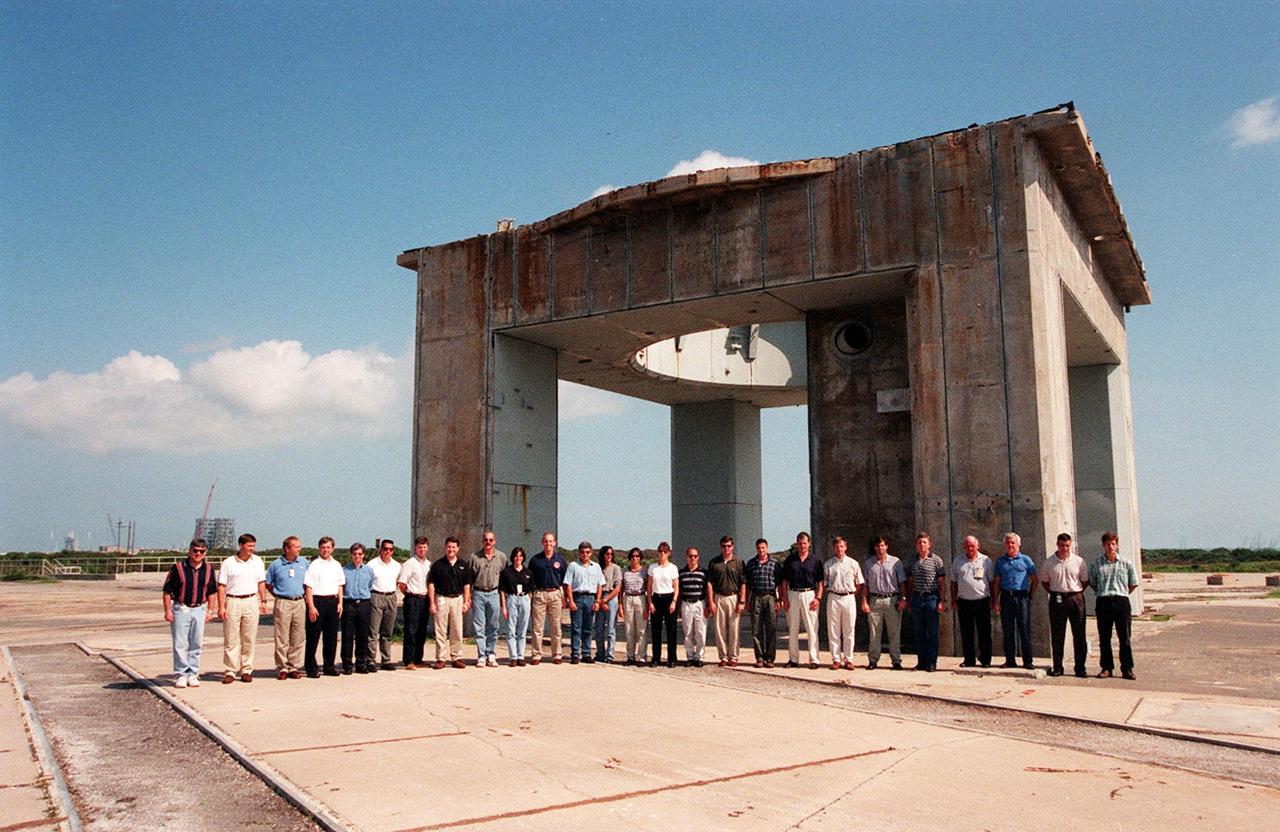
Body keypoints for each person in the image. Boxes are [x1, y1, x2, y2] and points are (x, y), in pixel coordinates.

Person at [162, 538, 217, 687]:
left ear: (205, 553)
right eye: (195, 551)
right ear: (190, 551)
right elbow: (167, 591)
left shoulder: (209, 569)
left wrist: (210, 611)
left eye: (201, 551)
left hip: (200, 608)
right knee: (180, 643)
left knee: (196, 642)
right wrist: (168, 611)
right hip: (181, 608)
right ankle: (181, 673)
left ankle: (193, 673)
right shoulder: (178, 568)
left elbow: (211, 591)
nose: (198, 554)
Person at [217, 533, 267, 684]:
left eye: (253, 546)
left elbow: (261, 582)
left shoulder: (257, 561)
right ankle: (230, 670)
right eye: (249, 546)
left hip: (251, 600)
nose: (252, 548)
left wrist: (263, 600)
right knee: (231, 638)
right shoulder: (228, 563)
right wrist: (220, 606)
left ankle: (246, 669)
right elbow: (221, 586)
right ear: (241, 546)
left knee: (249, 638)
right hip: (233, 600)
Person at [1089, 531, 1139, 680]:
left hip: (1121, 601)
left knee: (1124, 637)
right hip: (1104, 601)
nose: (1110, 547)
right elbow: (1092, 582)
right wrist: (1103, 592)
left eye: (1113, 544)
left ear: (1116, 545)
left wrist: (1122, 593)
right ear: (1103, 546)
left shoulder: (1126, 563)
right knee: (1104, 638)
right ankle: (1106, 668)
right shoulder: (1096, 564)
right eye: (1107, 544)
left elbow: (1133, 583)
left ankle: (1127, 669)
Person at [1041, 532, 1090, 678]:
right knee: (1057, 634)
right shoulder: (1049, 562)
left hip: (1075, 598)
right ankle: (1058, 667)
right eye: (1062, 545)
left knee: (1079, 634)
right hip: (1057, 599)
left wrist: (1074, 593)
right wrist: (1056, 592)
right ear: (1057, 545)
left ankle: (1080, 668)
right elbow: (1045, 582)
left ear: (1071, 545)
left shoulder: (1079, 561)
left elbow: (1085, 580)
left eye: (1067, 545)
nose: (1065, 548)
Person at [264, 536, 308, 681]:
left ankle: (293, 666)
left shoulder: (304, 563)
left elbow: (309, 583)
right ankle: (282, 667)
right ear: (287, 548)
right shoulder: (276, 565)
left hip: (300, 602)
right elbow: (268, 584)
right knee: (282, 636)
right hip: (283, 602)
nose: (299, 549)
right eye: (296, 546)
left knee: (298, 636)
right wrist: (278, 595)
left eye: (299, 546)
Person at [991, 532, 1037, 669]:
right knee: (1008, 630)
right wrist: (996, 600)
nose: (1011, 545)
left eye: (1013, 543)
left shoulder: (1026, 560)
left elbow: (1034, 579)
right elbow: (997, 582)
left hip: (1021, 596)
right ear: (1005, 545)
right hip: (1006, 596)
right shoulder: (1000, 561)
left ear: (1018, 544)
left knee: (1024, 630)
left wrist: (1030, 596)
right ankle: (1010, 660)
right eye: (1008, 543)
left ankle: (1028, 661)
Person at [779, 531, 824, 669]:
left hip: (809, 594)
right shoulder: (790, 560)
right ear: (797, 544)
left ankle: (814, 659)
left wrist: (818, 598)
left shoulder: (815, 561)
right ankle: (793, 659)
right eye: (800, 543)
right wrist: (785, 599)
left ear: (809, 544)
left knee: (811, 628)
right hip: (793, 594)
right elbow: (784, 581)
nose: (802, 546)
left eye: (804, 543)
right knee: (793, 629)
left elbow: (820, 582)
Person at [428, 537, 474, 669]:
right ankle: (441, 658)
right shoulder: (438, 565)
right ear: (445, 547)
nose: (451, 549)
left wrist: (466, 601)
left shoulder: (463, 565)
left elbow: (467, 585)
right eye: (449, 547)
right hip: (442, 598)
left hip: (458, 599)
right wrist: (432, 602)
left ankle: (456, 657)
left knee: (457, 629)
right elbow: (431, 584)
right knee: (440, 630)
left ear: (458, 549)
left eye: (454, 547)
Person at [950, 535, 995, 668]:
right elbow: (953, 582)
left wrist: (993, 599)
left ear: (978, 546)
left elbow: (992, 582)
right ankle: (969, 660)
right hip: (964, 602)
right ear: (964, 547)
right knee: (966, 633)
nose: (970, 548)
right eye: (967, 546)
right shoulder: (958, 561)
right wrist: (953, 600)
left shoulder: (986, 561)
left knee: (984, 632)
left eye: (972, 546)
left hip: (982, 601)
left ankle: (985, 660)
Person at [303, 536, 345, 678]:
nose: (325, 550)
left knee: (331, 637)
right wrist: (311, 607)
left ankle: (329, 666)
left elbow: (340, 585)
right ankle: (311, 667)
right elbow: (308, 587)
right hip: (317, 602)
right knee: (313, 637)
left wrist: (340, 603)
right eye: (323, 547)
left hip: (332, 603)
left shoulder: (337, 565)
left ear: (332, 548)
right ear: (319, 549)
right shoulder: (314, 565)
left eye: (328, 547)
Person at [863, 535, 907, 670]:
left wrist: (903, 599)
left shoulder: (896, 562)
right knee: (874, 632)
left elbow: (902, 583)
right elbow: (865, 585)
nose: (880, 548)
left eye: (883, 545)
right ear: (875, 547)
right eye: (878, 545)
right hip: (875, 600)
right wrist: (864, 601)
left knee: (894, 632)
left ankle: (896, 661)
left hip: (892, 599)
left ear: (886, 546)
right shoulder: (868, 563)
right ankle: (873, 660)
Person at [823, 535, 866, 670]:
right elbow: (824, 583)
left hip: (848, 598)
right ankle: (836, 659)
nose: (839, 549)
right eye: (837, 546)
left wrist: (852, 593)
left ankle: (848, 659)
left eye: (841, 546)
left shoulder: (853, 563)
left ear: (845, 547)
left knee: (849, 630)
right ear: (833, 548)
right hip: (833, 597)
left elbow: (859, 583)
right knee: (833, 630)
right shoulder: (828, 564)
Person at [905, 532, 946, 672]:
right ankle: (921, 662)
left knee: (932, 633)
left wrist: (941, 600)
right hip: (917, 598)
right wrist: (909, 600)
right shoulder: (912, 561)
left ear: (929, 544)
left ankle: (932, 663)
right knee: (919, 632)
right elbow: (909, 583)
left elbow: (941, 582)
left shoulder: (937, 560)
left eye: (924, 542)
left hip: (932, 599)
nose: (922, 545)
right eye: (919, 542)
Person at [706, 535, 746, 667]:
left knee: (734, 629)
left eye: (729, 546)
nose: (726, 548)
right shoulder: (714, 563)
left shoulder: (738, 562)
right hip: (719, 597)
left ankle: (733, 657)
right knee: (720, 629)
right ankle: (723, 656)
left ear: (733, 547)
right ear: (720, 547)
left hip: (734, 597)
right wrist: (711, 601)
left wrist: (742, 601)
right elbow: (710, 583)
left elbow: (743, 583)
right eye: (724, 546)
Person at [469, 530, 507, 668]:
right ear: (482, 541)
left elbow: (504, 579)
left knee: (493, 626)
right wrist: (468, 598)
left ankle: (491, 654)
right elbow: (470, 579)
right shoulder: (474, 557)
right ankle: (481, 656)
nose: (488, 542)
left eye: (491, 540)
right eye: (486, 540)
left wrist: (503, 599)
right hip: (479, 594)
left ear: (494, 541)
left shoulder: (501, 557)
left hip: (494, 594)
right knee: (479, 627)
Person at [529, 531, 568, 665]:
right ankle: (536, 655)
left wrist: (564, 597)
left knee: (556, 626)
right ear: (542, 542)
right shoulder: (535, 560)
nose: (548, 544)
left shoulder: (560, 560)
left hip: (555, 593)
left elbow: (564, 580)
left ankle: (557, 654)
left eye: (551, 541)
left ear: (555, 543)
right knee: (537, 627)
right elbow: (530, 579)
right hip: (539, 593)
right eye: (546, 541)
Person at [564, 541, 605, 663]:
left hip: (591, 599)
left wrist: (598, 601)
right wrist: (570, 601)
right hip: (578, 598)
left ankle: (586, 654)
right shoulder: (573, 566)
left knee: (588, 628)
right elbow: (568, 584)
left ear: (591, 553)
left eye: (587, 552)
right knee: (576, 628)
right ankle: (575, 654)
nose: (585, 554)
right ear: (579, 553)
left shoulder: (596, 567)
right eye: (582, 552)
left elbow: (600, 585)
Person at [743, 538, 782, 668]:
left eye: (763, 548)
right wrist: (747, 601)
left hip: (770, 597)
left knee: (771, 627)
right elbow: (747, 584)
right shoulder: (751, 564)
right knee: (756, 629)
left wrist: (779, 599)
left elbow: (780, 583)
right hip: (756, 597)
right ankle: (759, 657)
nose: (761, 550)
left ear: (767, 548)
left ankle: (770, 658)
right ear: (756, 549)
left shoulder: (774, 564)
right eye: (759, 548)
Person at [396, 537, 432, 669]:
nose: (422, 550)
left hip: (425, 599)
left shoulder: (429, 564)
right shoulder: (409, 563)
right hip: (412, 599)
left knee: (422, 630)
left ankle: (418, 659)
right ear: (415, 548)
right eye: (419, 547)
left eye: (424, 547)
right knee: (411, 630)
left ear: (427, 548)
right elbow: (402, 584)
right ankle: (409, 660)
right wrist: (411, 595)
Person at [366, 539, 401, 671]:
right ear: (381, 549)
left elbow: (399, 581)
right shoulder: (372, 564)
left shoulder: (397, 566)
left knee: (387, 631)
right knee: (373, 631)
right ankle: (370, 660)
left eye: (390, 549)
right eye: (385, 549)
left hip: (391, 597)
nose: (388, 551)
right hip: (376, 596)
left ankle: (386, 659)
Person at [341, 542, 374, 674]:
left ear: (363, 555)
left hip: (364, 604)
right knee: (347, 635)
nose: (357, 556)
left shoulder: (368, 571)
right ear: (351, 555)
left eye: (359, 554)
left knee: (363, 634)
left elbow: (370, 586)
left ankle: (361, 663)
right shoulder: (344, 570)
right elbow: (341, 587)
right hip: (349, 603)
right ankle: (347, 664)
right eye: (354, 554)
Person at [647, 542, 680, 667]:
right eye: (660, 551)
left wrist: (674, 601)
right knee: (656, 631)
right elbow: (649, 586)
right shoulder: (653, 567)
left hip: (669, 598)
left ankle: (672, 659)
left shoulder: (673, 568)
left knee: (671, 631)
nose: (662, 554)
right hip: (656, 598)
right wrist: (650, 602)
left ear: (669, 553)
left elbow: (676, 586)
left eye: (665, 551)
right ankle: (656, 658)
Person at [678, 548, 711, 667]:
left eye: (695, 556)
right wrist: (679, 607)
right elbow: (679, 590)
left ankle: (699, 657)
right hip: (686, 603)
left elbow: (708, 590)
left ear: (698, 557)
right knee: (688, 633)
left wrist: (708, 604)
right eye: (691, 556)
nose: (693, 558)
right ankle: (690, 657)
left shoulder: (704, 572)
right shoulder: (681, 573)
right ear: (687, 557)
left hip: (699, 604)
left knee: (701, 632)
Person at [499, 547, 533, 665]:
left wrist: (528, 603)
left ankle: (521, 656)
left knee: (522, 630)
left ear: (523, 558)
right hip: (511, 598)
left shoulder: (528, 572)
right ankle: (513, 657)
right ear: (513, 557)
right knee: (511, 629)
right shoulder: (506, 572)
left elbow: (531, 591)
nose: (518, 558)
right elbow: (502, 590)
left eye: (520, 556)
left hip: (524, 599)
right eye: (516, 556)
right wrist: (503, 606)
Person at [619, 548, 650, 665]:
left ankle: (642, 657)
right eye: (633, 556)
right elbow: (621, 589)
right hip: (628, 598)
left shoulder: (644, 572)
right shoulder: (625, 571)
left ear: (640, 558)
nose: (635, 558)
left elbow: (648, 588)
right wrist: (620, 606)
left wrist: (647, 606)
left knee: (641, 630)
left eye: (637, 556)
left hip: (641, 598)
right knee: (629, 629)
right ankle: (630, 656)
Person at [593, 546, 622, 662]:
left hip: (611, 598)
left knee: (611, 629)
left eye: (611, 554)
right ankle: (600, 653)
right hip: (599, 597)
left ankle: (610, 655)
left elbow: (618, 588)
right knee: (599, 629)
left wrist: (605, 600)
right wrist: (599, 600)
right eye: (607, 554)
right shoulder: (597, 568)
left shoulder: (616, 568)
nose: (609, 556)